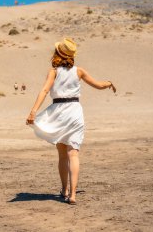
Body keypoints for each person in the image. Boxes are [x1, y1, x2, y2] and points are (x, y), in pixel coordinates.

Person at [26, 38, 116, 205]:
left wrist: (33, 111)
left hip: (59, 113)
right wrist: (109, 83)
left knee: (62, 155)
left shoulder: (53, 71)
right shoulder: (79, 71)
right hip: (75, 112)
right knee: (73, 154)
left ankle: (64, 190)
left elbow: (45, 90)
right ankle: (73, 194)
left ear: (58, 53)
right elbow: (98, 85)